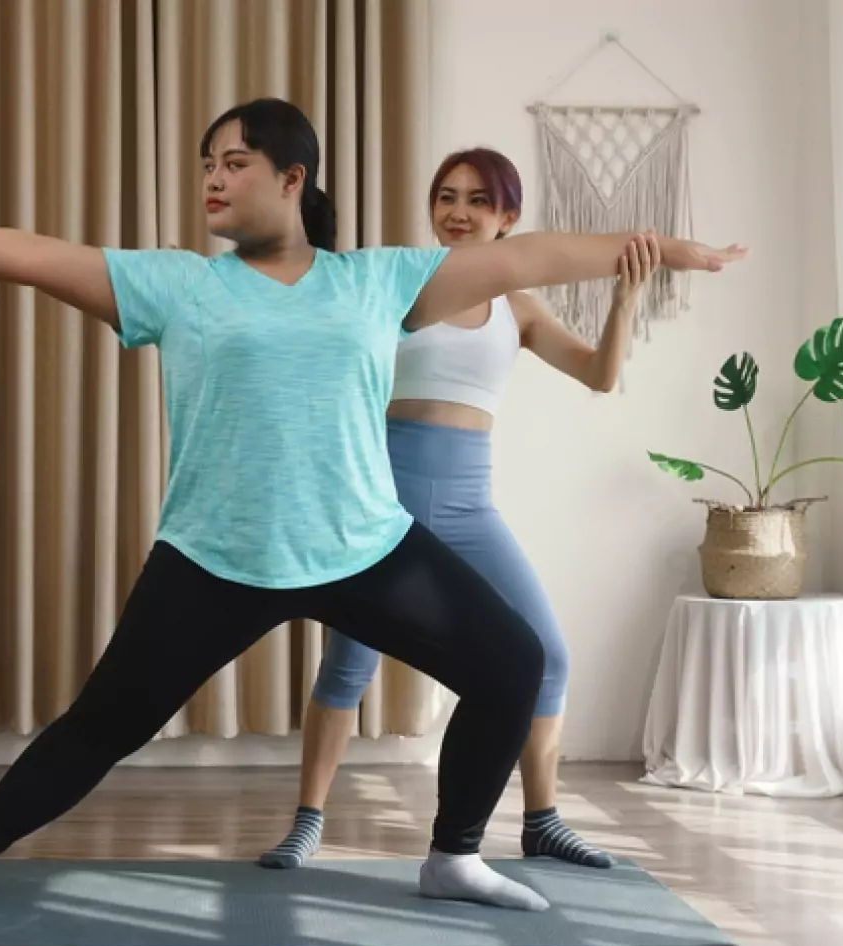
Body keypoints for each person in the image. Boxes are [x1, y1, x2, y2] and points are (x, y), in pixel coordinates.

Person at [0, 97, 743, 918]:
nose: (212, 178)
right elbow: (29, 255)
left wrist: (657, 250)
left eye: (233, 162)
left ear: (292, 179)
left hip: (363, 542)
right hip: (217, 552)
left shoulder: (377, 281)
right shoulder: (178, 285)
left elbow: (525, 258)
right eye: (206, 163)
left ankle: (454, 855)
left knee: (515, 662)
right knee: (101, 726)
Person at [259, 148, 654, 873]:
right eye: (446, 196)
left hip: (470, 504)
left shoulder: (521, 309)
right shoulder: (399, 288)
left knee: (548, 657)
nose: (459, 212)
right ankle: (307, 821)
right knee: (349, 664)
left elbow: (599, 375)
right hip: (381, 499)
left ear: (509, 218)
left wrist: (623, 301)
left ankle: (543, 821)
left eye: (478, 200)